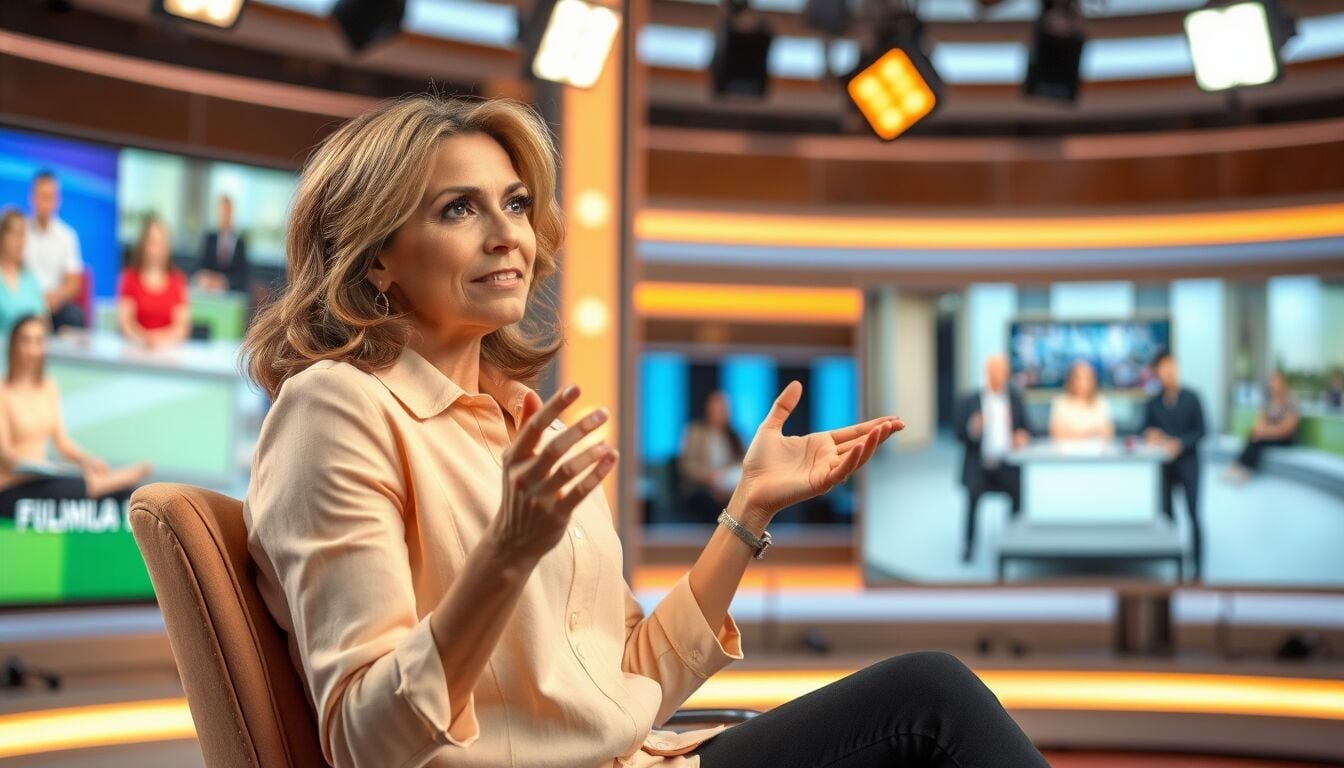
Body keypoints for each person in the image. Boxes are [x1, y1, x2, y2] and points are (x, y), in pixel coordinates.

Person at [241, 95, 1048, 768]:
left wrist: (748, 511)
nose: (508, 234)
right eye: (459, 209)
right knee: (932, 701)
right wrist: (506, 554)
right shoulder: (335, 409)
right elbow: (365, 741)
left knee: (929, 698)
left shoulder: (520, 420)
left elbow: (628, 679)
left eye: (515, 204)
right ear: (375, 257)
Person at [0, 315, 152, 515]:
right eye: (25, 341)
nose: (31, 349)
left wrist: (88, 460)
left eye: (38, 341)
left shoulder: (48, 387)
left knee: (102, 489)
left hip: (43, 477)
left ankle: (115, 483)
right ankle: (117, 479)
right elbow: (5, 454)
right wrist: (30, 465)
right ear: (13, 345)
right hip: (13, 483)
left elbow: (61, 441)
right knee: (77, 484)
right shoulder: (3, 391)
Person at [955, 353, 1030, 563]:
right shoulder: (970, 400)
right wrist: (973, 429)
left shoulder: (1015, 399)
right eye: (995, 370)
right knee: (972, 496)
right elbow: (958, 435)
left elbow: (1028, 428)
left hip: (1007, 465)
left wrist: (1022, 436)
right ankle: (969, 544)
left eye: (1003, 371)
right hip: (979, 465)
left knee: (1020, 493)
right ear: (987, 372)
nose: (1000, 375)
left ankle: (1013, 540)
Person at [1142, 349, 1206, 581]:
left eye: (1170, 367)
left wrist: (1179, 443)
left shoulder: (1193, 397)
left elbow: (1201, 431)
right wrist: (1151, 436)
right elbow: (1144, 430)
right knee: (1168, 517)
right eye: (1162, 368)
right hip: (1164, 467)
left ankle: (1197, 570)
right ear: (1156, 372)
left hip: (1188, 463)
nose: (1167, 372)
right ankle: (1175, 568)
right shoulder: (1153, 403)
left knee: (1193, 514)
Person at [23, 170, 86, 330]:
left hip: (55, 304)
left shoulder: (68, 236)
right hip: (25, 301)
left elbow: (74, 283)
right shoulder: (20, 233)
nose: (45, 203)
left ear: (57, 200)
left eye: (50, 197)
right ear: (32, 197)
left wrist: (57, 297)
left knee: (75, 316)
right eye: (42, 196)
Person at [118, 216, 190, 348]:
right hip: (135, 348)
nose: (157, 249)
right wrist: (143, 339)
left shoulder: (178, 280)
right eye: (153, 242)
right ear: (143, 244)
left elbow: (182, 327)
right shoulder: (129, 278)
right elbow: (125, 322)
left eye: (161, 243)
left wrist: (159, 340)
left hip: (168, 350)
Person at [1223, 370, 1299, 483]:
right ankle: (1239, 467)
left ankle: (1244, 470)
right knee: (1253, 435)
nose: (1273, 384)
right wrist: (1259, 430)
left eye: (1276, 381)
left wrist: (1265, 432)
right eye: (1271, 381)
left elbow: (1288, 428)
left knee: (1259, 440)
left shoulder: (1290, 401)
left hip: (1284, 438)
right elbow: (1260, 421)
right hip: (1267, 435)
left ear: (1283, 382)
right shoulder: (1268, 400)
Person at [679, 390, 745, 509]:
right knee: (712, 501)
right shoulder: (696, 432)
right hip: (702, 488)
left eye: (724, 409)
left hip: (730, 487)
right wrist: (709, 477)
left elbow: (743, 462)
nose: (722, 413)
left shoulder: (735, 437)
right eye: (717, 409)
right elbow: (687, 466)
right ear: (708, 410)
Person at [0, 208, 47, 340]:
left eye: (23, 234)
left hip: (31, 349)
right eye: (15, 233)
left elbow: (43, 323)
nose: (20, 240)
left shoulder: (30, 280)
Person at [195, 194, 250, 293]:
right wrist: (210, 281)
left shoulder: (240, 243)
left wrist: (223, 282)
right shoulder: (209, 239)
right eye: (221, 212)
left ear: (231, 213)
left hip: (231, 294)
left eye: (226, 211)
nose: (223, 216)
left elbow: (242, 277)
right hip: (208, 293)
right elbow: (201, 268)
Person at [1049, 360, 1114, 441]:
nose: (1083, 383)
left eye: (1087, 378)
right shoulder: (1060, 401)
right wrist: (1090, 433)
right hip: (1067, 448)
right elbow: (1056, 433)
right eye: (1078, 378)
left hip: (1096, 448)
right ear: (1071, 379)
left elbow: (1108, 433)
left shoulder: (1101, 401)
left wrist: (1074, 433)